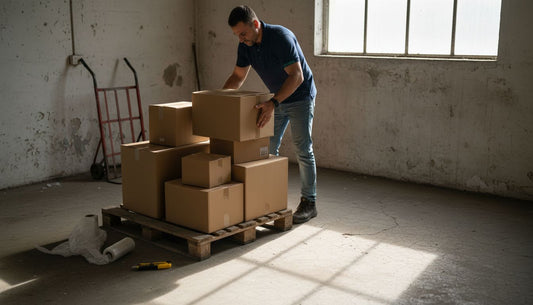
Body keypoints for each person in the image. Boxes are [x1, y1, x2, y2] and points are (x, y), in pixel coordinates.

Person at [223, 5, 317, 224]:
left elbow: (297, 76)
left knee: (303, 149)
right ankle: (266, 199)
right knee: (267, 149)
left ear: (255, 24)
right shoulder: (246, 45)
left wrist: (273, 103)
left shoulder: (280, 37)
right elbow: (237, 77)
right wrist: (218, 99)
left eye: (243, 33)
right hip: (276, 99)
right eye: (236, 35)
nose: (240, 39)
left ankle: (309, 202)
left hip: (300, 96)